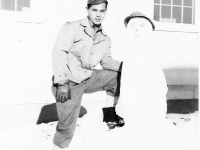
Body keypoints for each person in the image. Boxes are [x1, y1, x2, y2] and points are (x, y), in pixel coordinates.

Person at [51, 0, 124, 149]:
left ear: (105, 12)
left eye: (102, 11)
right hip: (68, 82)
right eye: (94, 10)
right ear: (87, 10)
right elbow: (59, 53)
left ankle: (109, 115)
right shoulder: (72, 27)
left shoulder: (105, 38)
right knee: (67, 127)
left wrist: (129, 67)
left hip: (87, 78)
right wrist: (61, 83)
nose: (98, 14)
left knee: (116, 77)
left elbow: (107, 62)